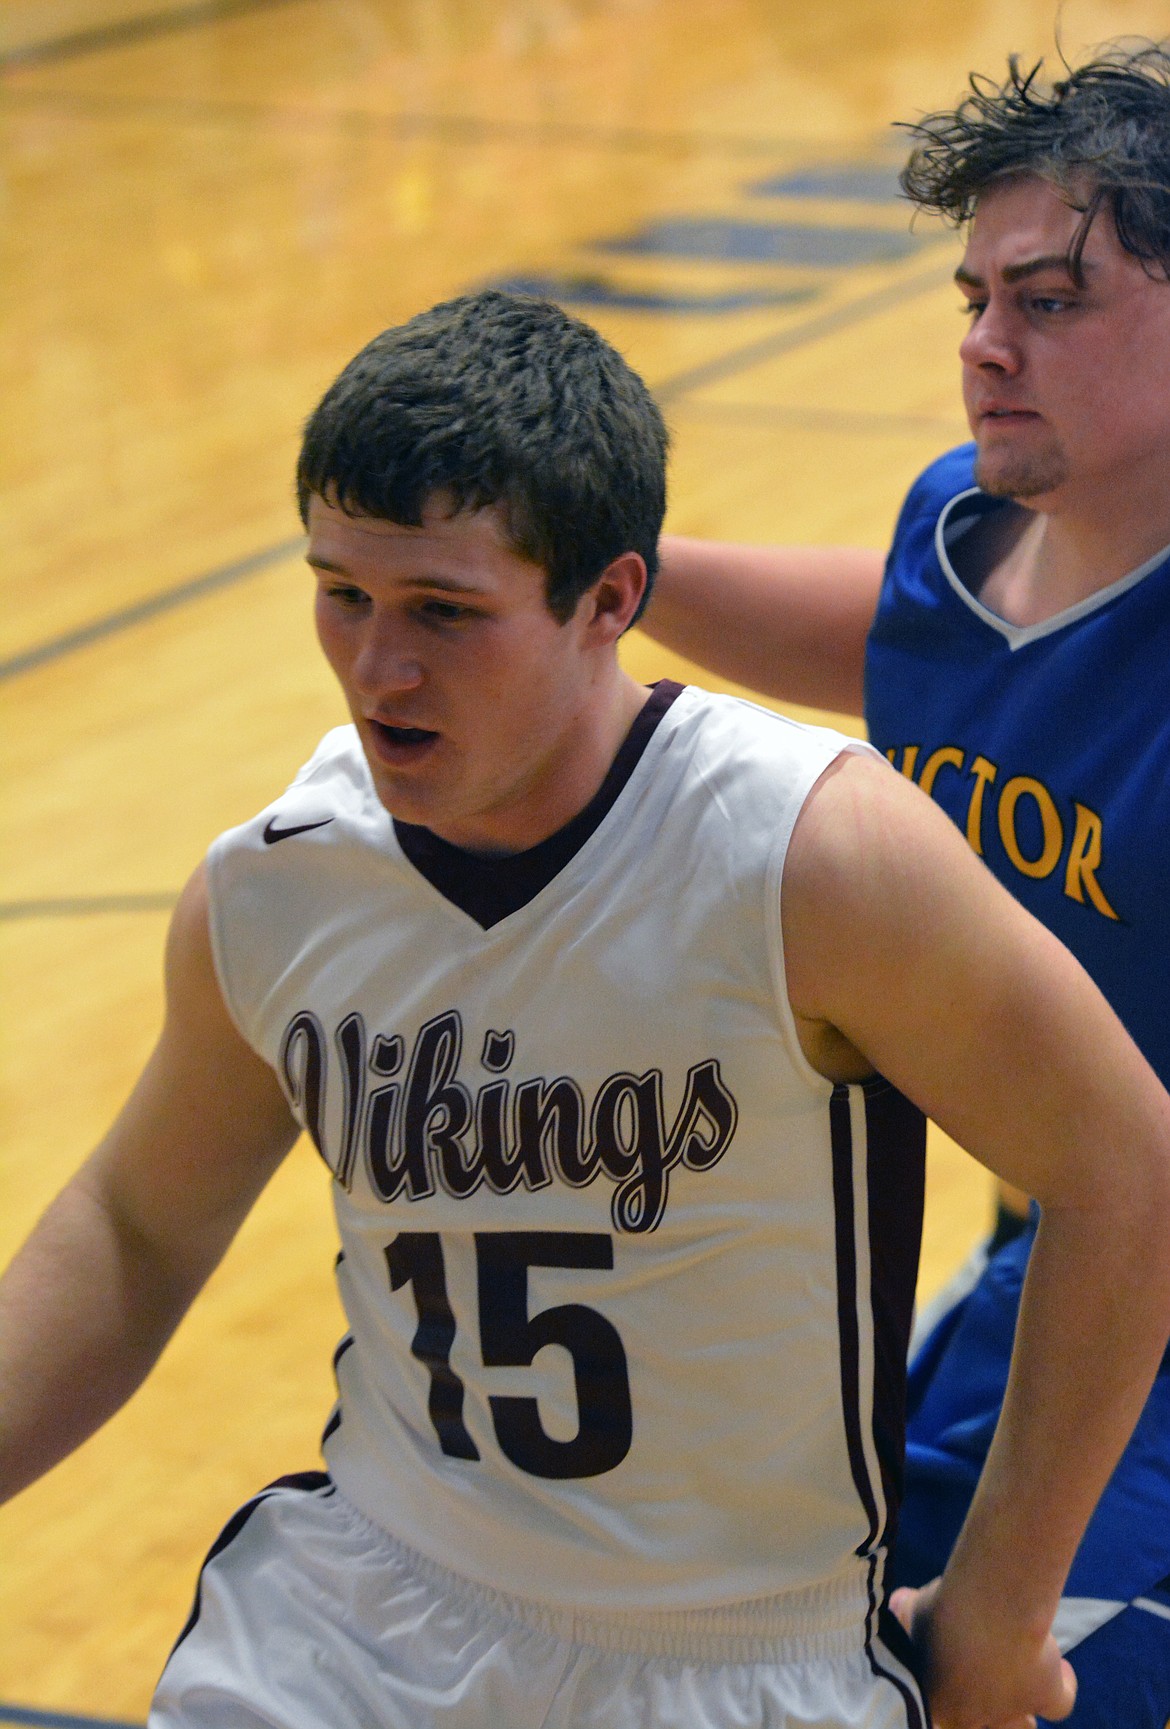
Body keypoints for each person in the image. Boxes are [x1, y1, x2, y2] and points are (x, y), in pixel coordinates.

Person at [1, 292, 1170, 1729]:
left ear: (610, 598)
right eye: (341, 595)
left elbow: (1127, 1166)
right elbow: (137, 1222)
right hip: (359, 1614)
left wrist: (995, 1608)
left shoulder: (808, 854)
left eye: (444, 611)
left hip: (736, 1659)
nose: (379, 668)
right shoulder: (278, 884)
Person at [640, 42, 1170, 1729]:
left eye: (1050, 298)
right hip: (1080, 1248)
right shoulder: (961, 540)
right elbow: (865, 638)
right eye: (970, 296)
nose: (981, 346)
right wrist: (579, 559)